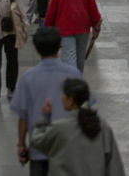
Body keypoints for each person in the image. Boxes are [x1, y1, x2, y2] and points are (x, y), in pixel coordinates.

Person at [10, 27, 83, 176]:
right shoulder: (74, 74)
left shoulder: (27, 78)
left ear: (37, 49)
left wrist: (21, 144)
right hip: (68, 148)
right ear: (59, 45)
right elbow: (84, 109)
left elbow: (23, 116)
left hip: (39, 148)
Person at [31, 78, 126, 176]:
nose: (62, 98)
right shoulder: (102, 127)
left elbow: (37, 141)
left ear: (70, 100)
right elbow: (115, 167)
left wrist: (45, 118)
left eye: (64, 94)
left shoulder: (60, 128)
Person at [44, 0, 101, 73]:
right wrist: (96, 23)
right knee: (80, 58)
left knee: (70, 57)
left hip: (65, 26)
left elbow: (52, 8)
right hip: (83, 26)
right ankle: (78, 81)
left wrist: (47, 26)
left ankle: (73, 84)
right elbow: (92, 6)